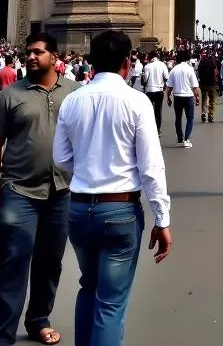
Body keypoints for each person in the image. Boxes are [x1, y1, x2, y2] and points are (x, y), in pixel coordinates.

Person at [53, 30, 172, 346]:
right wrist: (162, 219)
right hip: (120, 211)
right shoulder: (137, 102)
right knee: (111, 303)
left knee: (88, 287)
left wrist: (86, 172)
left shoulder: (72, 101)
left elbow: (61, 160)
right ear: (128, 62)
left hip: (78, 209)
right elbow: (150, 168)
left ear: (91, 61)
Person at [0, 33, 73, 346]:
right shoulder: (10, 95)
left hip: (61, 192)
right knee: (13, 261)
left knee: (51, 262)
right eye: (28, 52)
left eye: (38, 52)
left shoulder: (74, 93)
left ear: (55, 56)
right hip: (18, 190)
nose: (31, 57)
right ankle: (2, 335)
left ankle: (38, 320)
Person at [165, 50, 200, 147]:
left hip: (177, 96)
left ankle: (180, 138)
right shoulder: (190, 69)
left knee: (178, 118)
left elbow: (169, 87)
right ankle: (187, 138)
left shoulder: (174, 70)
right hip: (188, 96)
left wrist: (168, 98)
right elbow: (195, 86)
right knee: (190, 118)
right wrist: (197, 97)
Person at [142, 52, 168, 132]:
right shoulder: (162, 65)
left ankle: (149, 127)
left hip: (149, 90)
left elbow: (145, 79)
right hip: (159, 90)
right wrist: (164, 86)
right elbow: (166, 77)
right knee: (158, 110)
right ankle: (158, 129)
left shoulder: (147, 66)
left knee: (149, 110)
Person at [197, 50, 219, 123]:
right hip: (212, 84)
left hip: (203, 83)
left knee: (204, 99)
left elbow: (198, 72)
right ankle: (211, 115)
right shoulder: (213, 61)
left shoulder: (202, 62)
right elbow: (215, 72)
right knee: (212, 100)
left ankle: (204, 113)